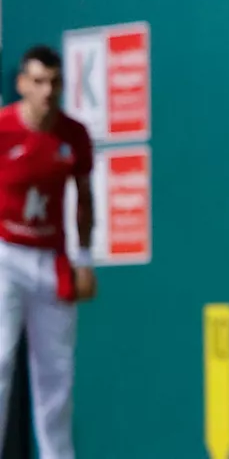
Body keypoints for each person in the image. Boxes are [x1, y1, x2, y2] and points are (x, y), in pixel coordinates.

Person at [0, 45, 97, 459]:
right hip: (5, 255)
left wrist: (86, 259)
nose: (47, 91)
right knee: (0, 363)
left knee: (57, 381)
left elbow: (84, 199)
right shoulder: (2, 129)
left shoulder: (73, 135)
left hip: (52, 262)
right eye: (38, 82)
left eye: (54, 82)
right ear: (22, 85)